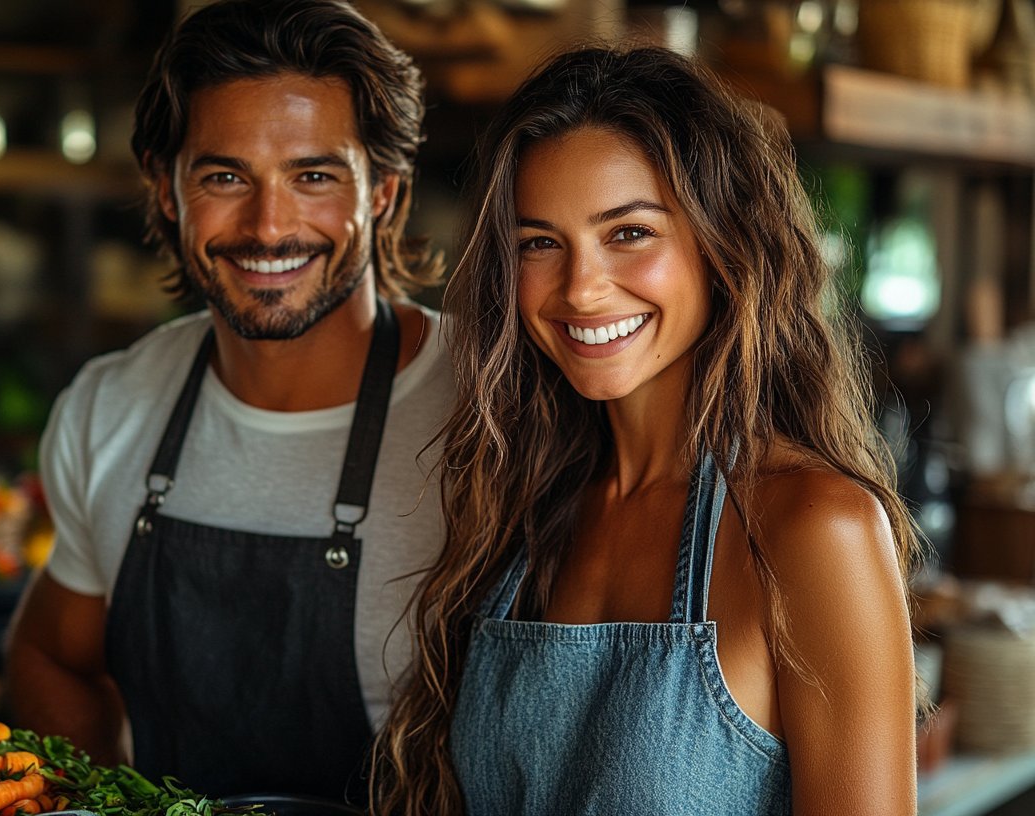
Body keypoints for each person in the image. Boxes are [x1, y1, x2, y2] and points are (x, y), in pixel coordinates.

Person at [373, 45, 922, 815]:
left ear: (722, 243)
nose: (581, 289)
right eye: (540, 243)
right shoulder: (521, 510)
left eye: (628, 232)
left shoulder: (812, 526)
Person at [5, 0, 450, 804]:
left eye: (313, 175)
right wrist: (97, 801)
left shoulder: (491, 408)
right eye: (224, 176)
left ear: (383, 191)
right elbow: (50, 656)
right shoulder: (109, 408)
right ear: (166, 190)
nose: (268, 226)